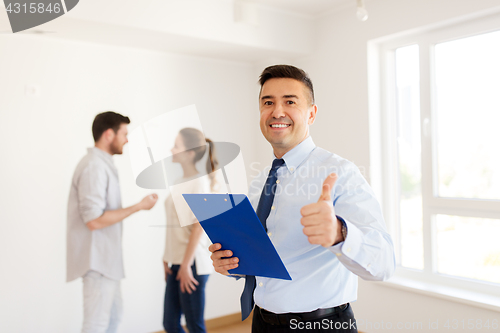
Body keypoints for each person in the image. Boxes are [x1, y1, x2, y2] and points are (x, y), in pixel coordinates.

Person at [209, 65, 395, 332]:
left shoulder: (340, 173)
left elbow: (384, 263)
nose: (277, 112)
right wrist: (231, 262)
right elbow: (262, 254)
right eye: (268, 102)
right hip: (262, 322)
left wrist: (339, 233)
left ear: (312, 113)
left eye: (290, 102)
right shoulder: (261, 180)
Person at [67, 111, 158, 333]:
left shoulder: (101, 164)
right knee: (96, 324)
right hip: (97, 263)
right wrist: (139, 206)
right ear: (109, 134)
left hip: (106, 263)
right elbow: (94, 221)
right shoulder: (94, 167)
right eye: (124, 133)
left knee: (113, 318)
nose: (127, 139)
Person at [163, 128, 218, 333]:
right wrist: (166, 257)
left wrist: (186, 265)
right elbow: (175, 224)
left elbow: (198, 226)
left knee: (195, 326)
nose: (171, 149)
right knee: (170, 323)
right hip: (176, 262)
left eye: (176, 145)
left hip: (192, 265)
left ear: (189, 153)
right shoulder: (178, 183)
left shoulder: (200, 183)